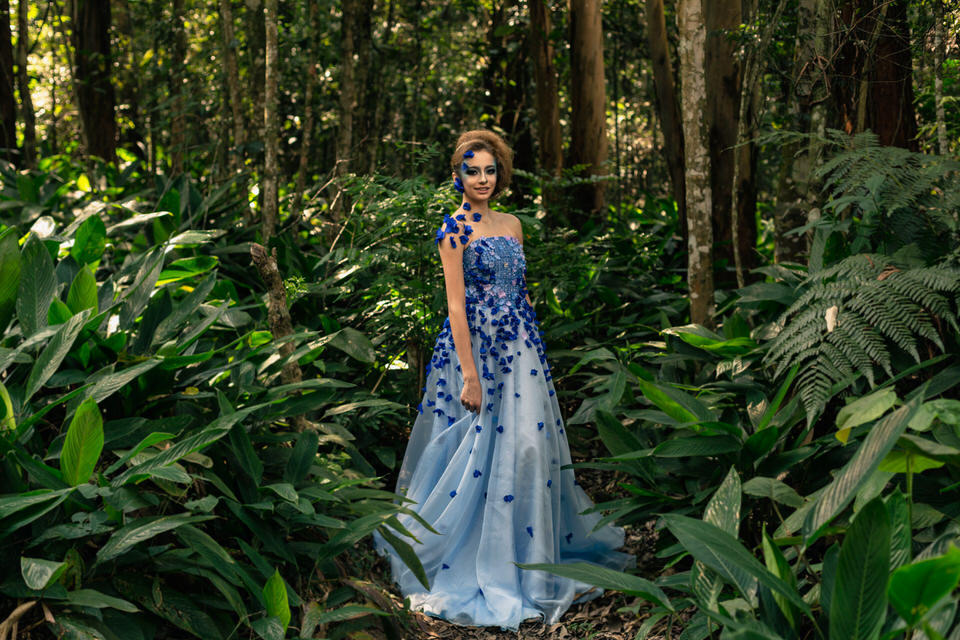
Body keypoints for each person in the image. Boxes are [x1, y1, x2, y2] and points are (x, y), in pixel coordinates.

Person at [373, 129, 633, 631]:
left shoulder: (513, 225)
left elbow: (522, 290)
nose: (482, 179)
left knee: (529, 449)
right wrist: (470, 377)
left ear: (501, 174)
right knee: (471, 453)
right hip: (473, 354)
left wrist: (531, 343)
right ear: (457, 176)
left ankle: (531, 559)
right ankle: (469, 559)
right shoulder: (453, 230)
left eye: (490, 170)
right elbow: (454, 306)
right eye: (472, 170)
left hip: (519, 352)